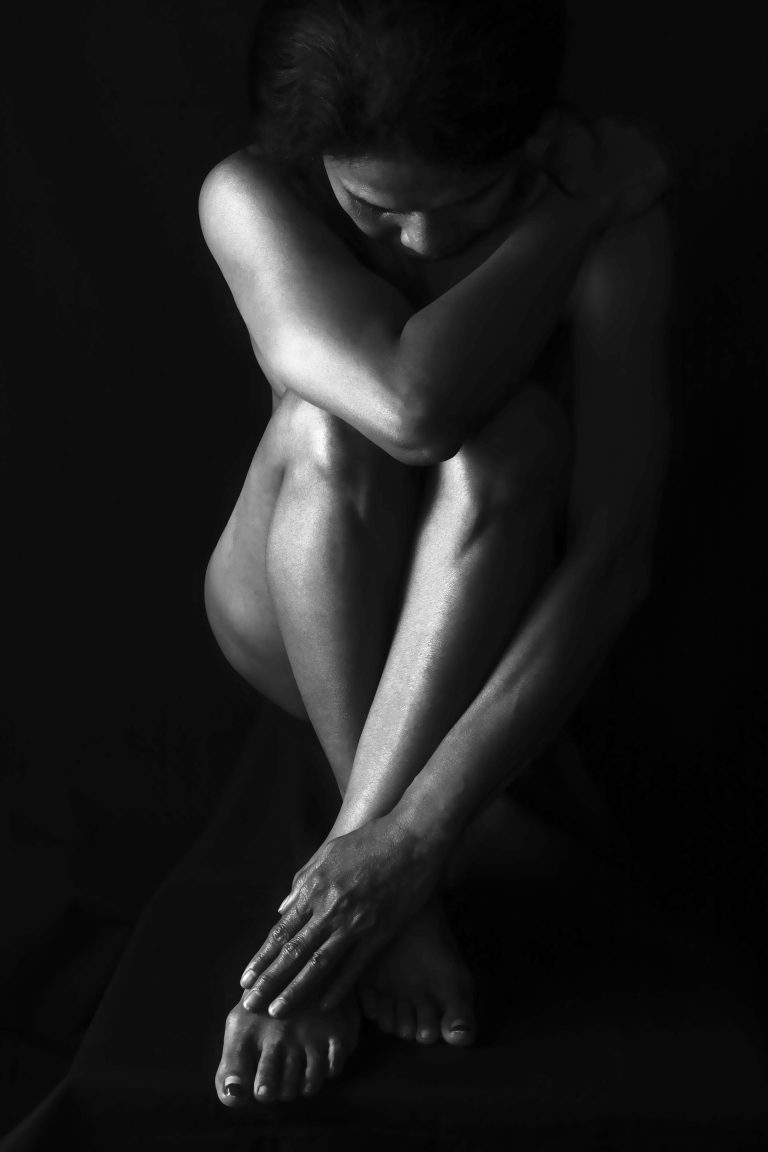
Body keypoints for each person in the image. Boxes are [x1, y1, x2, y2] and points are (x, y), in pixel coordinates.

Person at [199, 0, 673, 1107]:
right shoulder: (251, 194)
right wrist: (569, 218)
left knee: (515, 440)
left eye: (463, 207)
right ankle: (375, 893)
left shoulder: (617, 221)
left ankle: (361, 886)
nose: (417, 241)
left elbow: (613, 563)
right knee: (329, 423)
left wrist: (414, 840)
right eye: (374, 209)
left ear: (531, 140)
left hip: (481, 611)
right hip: (288, 609)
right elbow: (412, 410)